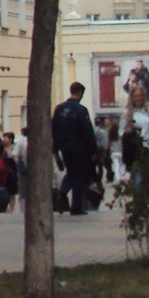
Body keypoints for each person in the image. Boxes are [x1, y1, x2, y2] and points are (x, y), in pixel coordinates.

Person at [51, 82, 101, 216]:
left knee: (71, 172)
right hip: (79, 148)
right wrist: (93, 150)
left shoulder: (59, 109)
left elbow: (54, 129)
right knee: (79, 175)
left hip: (64, 148)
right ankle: (76, 206)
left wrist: (55, 149)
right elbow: (88, 131)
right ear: (80, 93)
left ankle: (62, 192)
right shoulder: (81, 110)